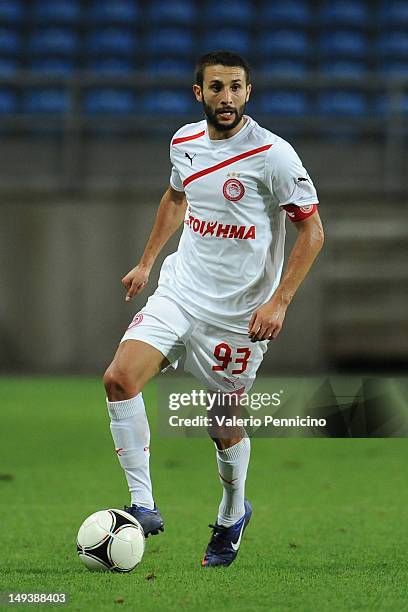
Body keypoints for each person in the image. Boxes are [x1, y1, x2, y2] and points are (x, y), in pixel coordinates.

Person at [103, 50, 324, 568]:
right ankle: (143, 505)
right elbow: (177, 198)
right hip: (181, 292)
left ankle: (231, 514)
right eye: (217, 87)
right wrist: (146, 262)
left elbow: (311, 231)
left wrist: (280, 301)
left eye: (236, 87)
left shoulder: (274, 155)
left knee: (223, 427)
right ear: (198, 92)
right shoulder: (183, 141)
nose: (227, 97)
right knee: (119, 379)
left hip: (239, 315)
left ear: (249, 93)